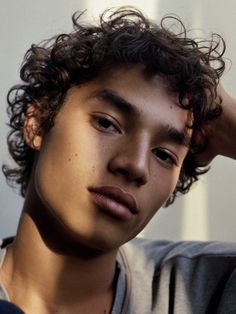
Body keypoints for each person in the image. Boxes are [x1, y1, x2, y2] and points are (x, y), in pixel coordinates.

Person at [0, 6, 236, 314]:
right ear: (39, 122)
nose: (136, 166)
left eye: (164, 155)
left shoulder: (208, 290)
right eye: (107, 124)